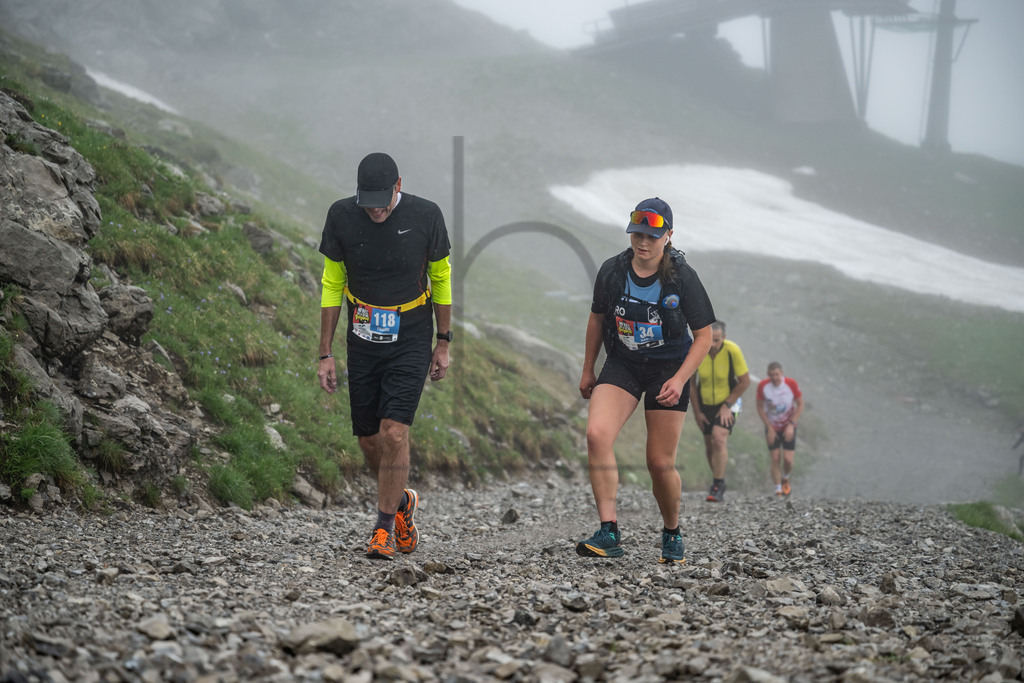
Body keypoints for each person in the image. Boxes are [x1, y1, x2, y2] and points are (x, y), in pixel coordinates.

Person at [316, 152, 453, 560]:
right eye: (366, 200)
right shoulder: (341, 216)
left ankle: (383, 528)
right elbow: (331, 283)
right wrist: (324, 352)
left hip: (411, 331)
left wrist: (443, 341)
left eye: (381, 198)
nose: (374, 209)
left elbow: (441, 277)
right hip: (361, 333)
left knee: (394, 431)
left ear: (398, 186)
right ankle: (401, 503)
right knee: (369, 439)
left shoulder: (426, 215)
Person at [576, 197, 715, 564]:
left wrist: (682, 378)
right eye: (638, 233)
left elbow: (703, 335)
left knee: (659, 462)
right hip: (623, 363)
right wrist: (589, 368)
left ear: (668, 236)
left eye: (652, 235)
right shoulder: (612, 271)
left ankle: (672, 531)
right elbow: (596, 319)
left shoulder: (683, 278)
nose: (643, 242)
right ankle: (609, 531)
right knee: (596, 435)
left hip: (668, 370)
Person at [689, 320, 750, 502]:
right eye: (710, 340)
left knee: (718, 437)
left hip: (729, 401)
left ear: (724, 337)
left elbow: (744, 381)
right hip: (705, 403)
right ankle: (719, 481)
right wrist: (697, 412)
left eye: (717, 340)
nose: (713, 345)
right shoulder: (698, 349)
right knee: (710, 445)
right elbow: (691, 384)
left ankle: (717, 484)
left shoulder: (732, 350)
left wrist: (727, 406)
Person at [756, 362, 804, 497]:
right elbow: (759, 407)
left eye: (776, 375)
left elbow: (800, 404)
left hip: (788, 425)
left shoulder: (791, 384)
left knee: (788, 460)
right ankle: (778, 489)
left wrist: (791, 424)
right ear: (768, 375)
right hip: (772, 426)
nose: (774, 378)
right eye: (771, 375)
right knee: (775, 457)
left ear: (781, 373)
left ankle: (786, 477)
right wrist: (769, 427)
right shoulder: (763, 386)